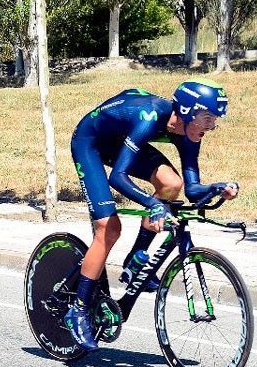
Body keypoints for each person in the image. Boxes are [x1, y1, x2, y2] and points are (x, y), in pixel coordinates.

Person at [65, 78, 239, 351]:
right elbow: (118, 178)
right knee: (108, 229)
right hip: (91, 142)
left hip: (123, 140)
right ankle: (78, 310)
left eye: (214, 119)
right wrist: (152, 203)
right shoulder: (149, 116)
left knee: (172, 184)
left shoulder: (190, 132)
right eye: (207, 118)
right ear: (187, 111)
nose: (212, 126)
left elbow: (191, 189)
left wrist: (215, 189)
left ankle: (135, 259)